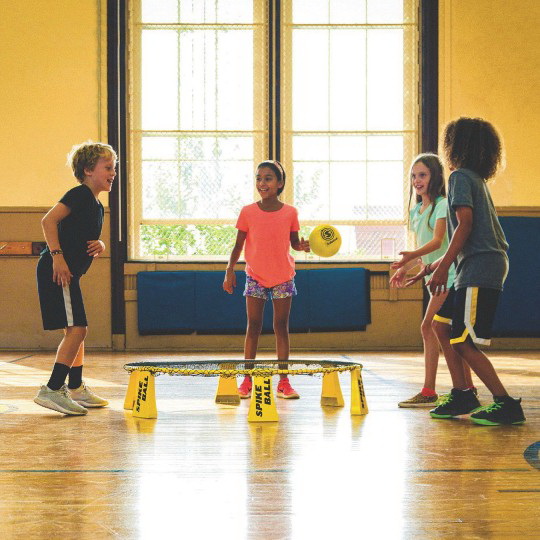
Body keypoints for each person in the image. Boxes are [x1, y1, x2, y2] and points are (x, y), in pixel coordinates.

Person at [406, 117, 525, 426]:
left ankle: (505, 403)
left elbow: (467, 226)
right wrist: (432, 266)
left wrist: (442, 268)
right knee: (441, 326)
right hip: (471, 266)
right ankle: (462, 393)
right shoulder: (474, 179)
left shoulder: (459, 177)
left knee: (462, 341)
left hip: (480, 267)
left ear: (455, 146)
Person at [34, 142, 117, 415]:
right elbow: (48, 221)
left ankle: (76, 387)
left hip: (70, 274)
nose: (113, 172)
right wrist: (57, 256)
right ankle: (52, 389)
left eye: (113, 168)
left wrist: (101, 245)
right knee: (77, 330)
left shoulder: (95, 205)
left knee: (77, 332)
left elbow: (82, 235)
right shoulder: (79, 194)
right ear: (88, 170)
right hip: (59, 271)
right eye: (108, 167)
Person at [391, 153, 475, 408]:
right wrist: (407, 267)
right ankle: (466, 388)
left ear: (434, 177)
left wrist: (409, 259)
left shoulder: (442, 204)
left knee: (429, 327)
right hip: (435, 276)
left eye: (423, 175)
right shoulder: (417, 210)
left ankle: (432, 390)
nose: (417, 180)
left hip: (450, 275)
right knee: (444, 332)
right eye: (414, 176)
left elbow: (439, 242)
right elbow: (427, 251)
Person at [223, 160, 310, 399]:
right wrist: (229, 270)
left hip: (283, 276)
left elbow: (293, 242)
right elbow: (238, 245)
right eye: (259, 178)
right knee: (253, 326)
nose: (262, 183)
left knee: (281, 327)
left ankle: (284, 381)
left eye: (268, 178)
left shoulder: (290, 212)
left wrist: (301, 246)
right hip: (255, 277)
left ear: (280, 183)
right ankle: (247, 380)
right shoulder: (248, 212)